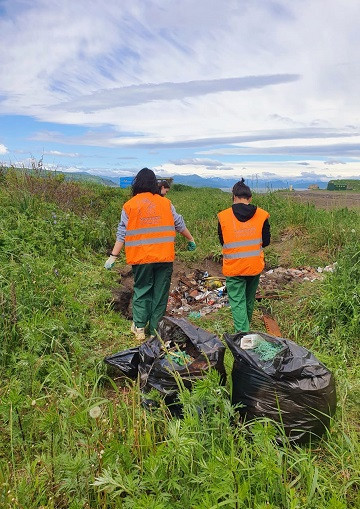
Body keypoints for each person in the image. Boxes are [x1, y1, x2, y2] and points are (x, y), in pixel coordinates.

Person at [105, 168, 196, 341]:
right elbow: (179, 223)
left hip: (142, 257)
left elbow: (122, 232)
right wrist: (191, 239)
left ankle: (139, 328)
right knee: (160, 293)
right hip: (164, 256)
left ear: (137, 183)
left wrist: (113, 256)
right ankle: (155, 330)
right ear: (154, 184)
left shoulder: (130, 205)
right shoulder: (165, 203)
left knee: (142, 290)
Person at [217, 178, 270, 332]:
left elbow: (223, 241)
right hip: (254, 265)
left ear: (234, 197)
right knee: (248, 299)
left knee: (237, 301)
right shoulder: (262, 215)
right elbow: (265, 241)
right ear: (250, 198)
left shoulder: (224, 216)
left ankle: (242, 335)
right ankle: (246, 328)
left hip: (234, 267)